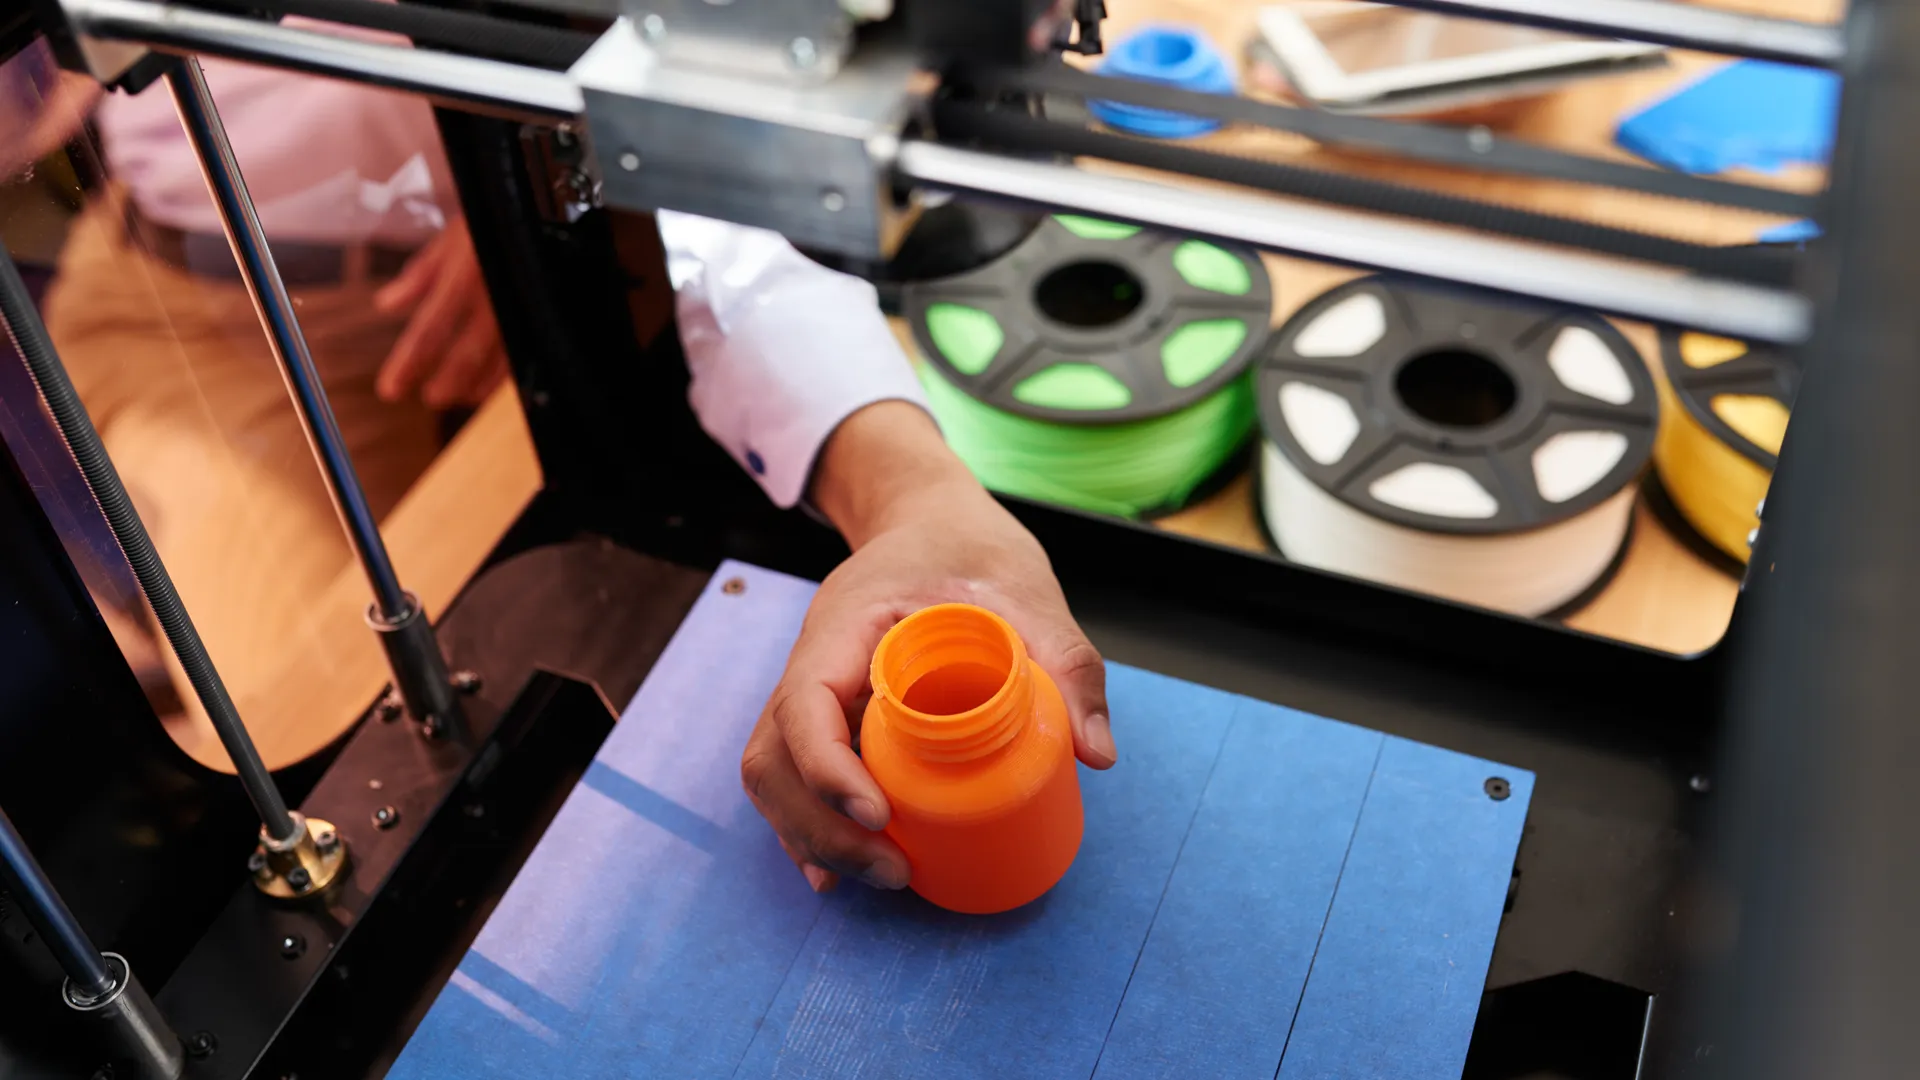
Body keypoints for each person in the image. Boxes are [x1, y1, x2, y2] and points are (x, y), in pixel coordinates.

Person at [5, 35, 1117, 895]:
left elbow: (698, 164)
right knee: (265, 738)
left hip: (546, 243)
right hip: (204, 301)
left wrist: (916, 496)